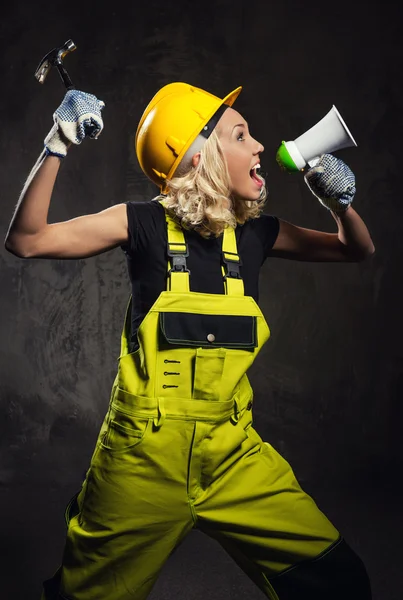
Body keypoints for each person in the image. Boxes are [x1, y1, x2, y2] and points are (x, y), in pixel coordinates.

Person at [5, 83, 375, 600]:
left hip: (233, 455)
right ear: (201, 158)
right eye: (242, 135)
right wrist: (57, 142)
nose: (261, 147)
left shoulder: (256, 235)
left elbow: (353, 250)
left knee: (337, 583)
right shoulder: (140, 224)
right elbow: (26, 240)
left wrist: (342, 206)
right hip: (141, 460)